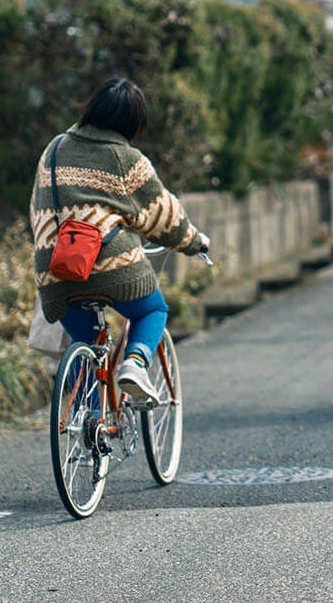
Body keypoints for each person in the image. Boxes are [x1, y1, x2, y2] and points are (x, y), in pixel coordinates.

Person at [31, 77, 210, 401]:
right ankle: (135, 364)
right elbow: (162, 215)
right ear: (133, 123)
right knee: (153, 310)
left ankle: (87, 431)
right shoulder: (126, 159)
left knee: (85, 343)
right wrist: (194, 242)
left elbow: (38, 207)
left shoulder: (54, 148)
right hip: (108, 262)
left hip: (56, 266)